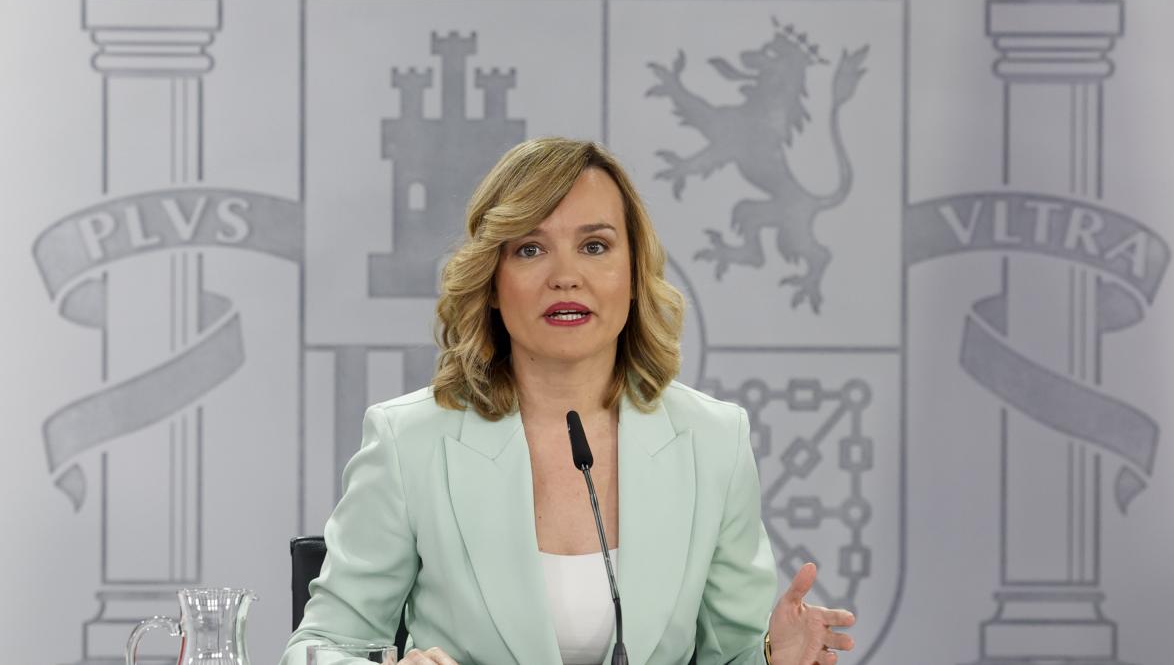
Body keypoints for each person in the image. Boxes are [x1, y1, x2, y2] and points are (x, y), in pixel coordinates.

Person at [281, 138, 855, 665]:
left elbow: (730, 654)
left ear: (633, 273)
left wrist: (771, 657)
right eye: (530, 249)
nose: (566, 276)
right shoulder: (409, 441)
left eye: (595, 246)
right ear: (493, 282)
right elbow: (318, 648)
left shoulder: (714, 440)